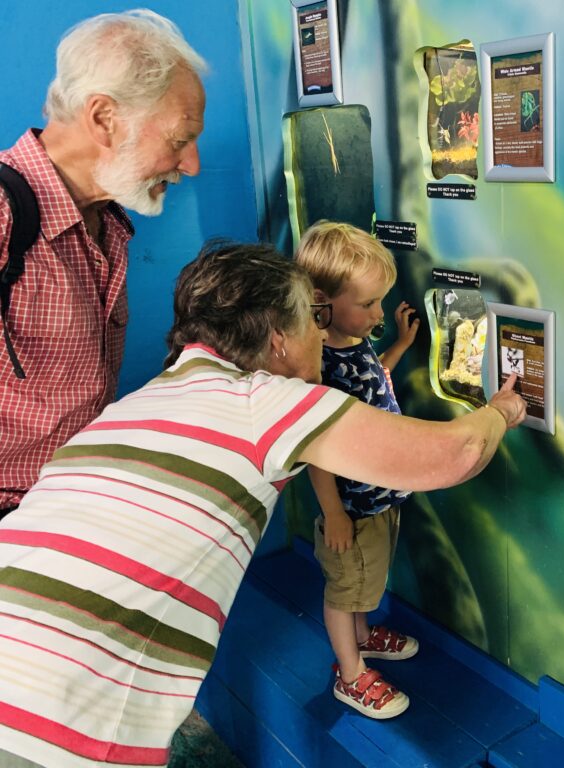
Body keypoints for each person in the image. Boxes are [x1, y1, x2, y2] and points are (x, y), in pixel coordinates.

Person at [0, 241, 526, 767]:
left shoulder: (140, 401)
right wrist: (501, 409)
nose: (322, 333)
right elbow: (458, 453)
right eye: (312, 318)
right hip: (55, 718)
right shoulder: (264, 399)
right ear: (278, 338)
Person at [0, 10, 206, 519]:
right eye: (180, 139)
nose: (192, 164)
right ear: (103, 119)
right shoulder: (5, 216)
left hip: (67, 506)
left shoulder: (109, 220)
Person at [294, 221, 423, 718]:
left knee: (365, 580)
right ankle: (349, 674)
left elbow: (372, 383)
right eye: (367, 304)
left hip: (380, 496)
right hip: (350, 506)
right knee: (345, 589)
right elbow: (317, 447)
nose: (378, 314)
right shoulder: (319, 362)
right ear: (322, 301)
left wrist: (400, 346)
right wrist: (335, 513)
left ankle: (364, 636)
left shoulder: (354, 342)